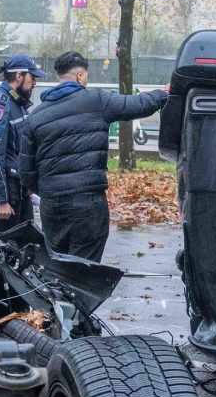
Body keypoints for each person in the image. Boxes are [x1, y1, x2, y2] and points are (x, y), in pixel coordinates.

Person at [19, 51, 168, 261]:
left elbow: (26, 172)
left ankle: (59, 294)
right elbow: (138, 104)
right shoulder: (96, 101)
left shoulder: (35, 117)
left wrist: (48, 190)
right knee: (85, 269)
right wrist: (164, 94)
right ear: (80, 76)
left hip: (51, 205)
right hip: (86, 203)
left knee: (58, 267)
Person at [0, 54, 46, 232]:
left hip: (20, 189)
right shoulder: (0, 106)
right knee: (5, 251)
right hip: (8, 192)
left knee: (26, 247)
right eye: (32, 77)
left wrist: (30, 188)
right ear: (19, 76)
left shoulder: (17, 103)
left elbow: (20, 151)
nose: (34, 83)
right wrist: (1, 200)